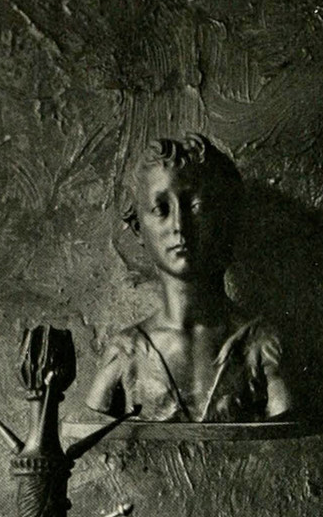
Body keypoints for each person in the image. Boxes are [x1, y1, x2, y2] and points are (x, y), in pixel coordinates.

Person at [86, 135, 292, 422]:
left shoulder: (258, 347)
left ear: (225, 218)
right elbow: (93, 421)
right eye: (161, 209)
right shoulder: (126, 352)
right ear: (138, 228)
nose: (179, 226)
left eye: (196, 206)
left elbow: (282, 421)